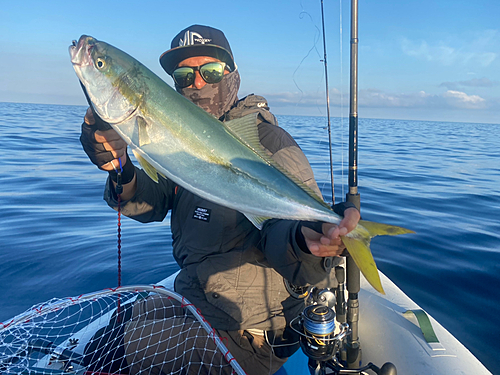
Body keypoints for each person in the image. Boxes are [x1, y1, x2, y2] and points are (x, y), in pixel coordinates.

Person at [80, 25, 360, 375]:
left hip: (251, 330)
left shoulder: (269, 142)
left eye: (210, 72)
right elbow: (152, 203)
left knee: (107, 357)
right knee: (107, 336)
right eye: (184, 76)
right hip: (195, 297)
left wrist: (309, 241)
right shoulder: (174, 133)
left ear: (231, 76)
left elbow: (290, 239)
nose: (197, 84)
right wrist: (120, 167)